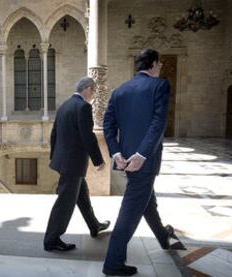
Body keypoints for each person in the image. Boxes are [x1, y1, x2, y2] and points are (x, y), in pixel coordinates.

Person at [102, 49, 177, 276]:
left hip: (126, 160)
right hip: (144, 161)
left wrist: (116, 153)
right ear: (153, 64)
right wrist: (143, 155)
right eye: (160, 65)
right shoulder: (160, 85)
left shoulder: (119, 91)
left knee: (146, 201)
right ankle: (113, 263)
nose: (160, 68)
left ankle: (164, 237)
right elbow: (158, 123)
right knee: (130, 211)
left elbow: (108, 125)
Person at [44, 77, 111, 252]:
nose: (94, 94)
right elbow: (87, 137)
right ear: (88, 89)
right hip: (72, 164)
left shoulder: (64, 105)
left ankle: (94, 226)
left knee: (82, 196)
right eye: (94, 91)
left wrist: (53, 157)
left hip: (65, 162)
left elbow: (54, 134)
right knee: (65, 203)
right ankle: (51, 240)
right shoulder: (83, 107)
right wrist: (98, 160)